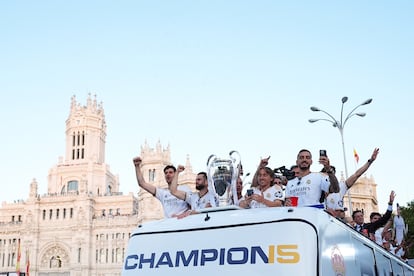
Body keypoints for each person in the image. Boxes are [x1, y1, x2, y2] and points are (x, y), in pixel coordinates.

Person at [324, 148, 380, 217]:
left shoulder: (341, 187)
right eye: (328, 173)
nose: (331, 177)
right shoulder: (318, 189)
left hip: (338, 221)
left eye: (332, 174)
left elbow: (357, 174)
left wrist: (370, 161)